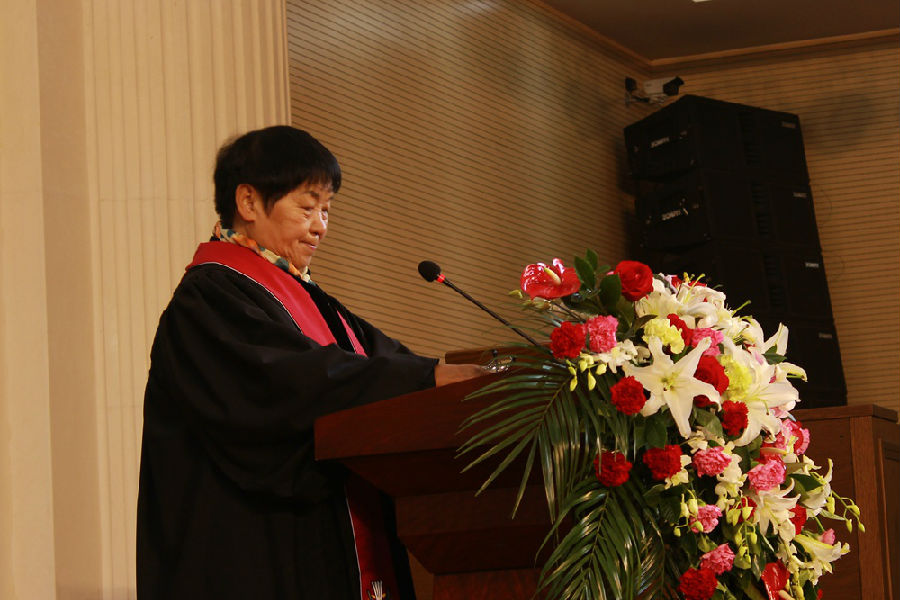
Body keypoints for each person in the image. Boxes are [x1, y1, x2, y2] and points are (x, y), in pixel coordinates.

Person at [136, 125, 482, 599]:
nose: (321, 226)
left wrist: (454, 381)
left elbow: (382, 362)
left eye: (327, 209)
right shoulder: (208, 298)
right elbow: (293, 383)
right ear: (248, 202)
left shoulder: (312, 299)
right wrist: (426, 378)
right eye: (307, 206)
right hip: (252, 554)